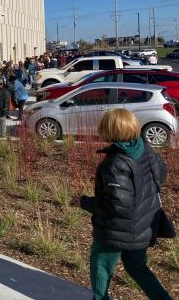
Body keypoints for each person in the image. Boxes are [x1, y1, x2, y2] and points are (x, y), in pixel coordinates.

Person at [72, 109, 172, 300]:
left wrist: (83, 202)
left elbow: (114, 205)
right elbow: (161, 174)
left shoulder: (115, 163)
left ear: (109, 130)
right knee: (137, 267)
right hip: (143, 225)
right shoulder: (145, 149)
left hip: (115, 230)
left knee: (101, 266)